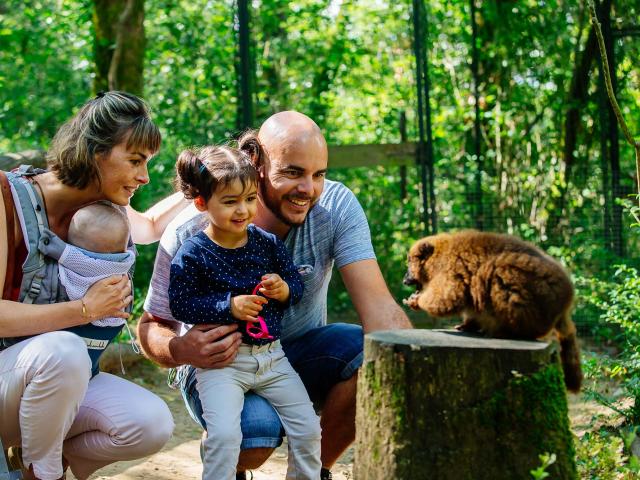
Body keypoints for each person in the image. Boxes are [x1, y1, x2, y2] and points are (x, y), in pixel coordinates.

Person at [138, 111, 413, 479]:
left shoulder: (335, 208)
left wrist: (421, 370)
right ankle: (233, 464)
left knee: (370, 355)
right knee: (255, 437)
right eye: (293, 172)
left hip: (289, 354)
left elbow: (379, 307)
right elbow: (153, 323)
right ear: (257, 164)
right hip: (219, 361)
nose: (309, 189)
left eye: (319, 174)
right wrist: (180, 349)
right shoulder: (191, 233)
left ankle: (315, 473)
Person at [0, 91, 187, 480]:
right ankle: (44, 470)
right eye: (135, 161)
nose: (144, 176)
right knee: (64, 349)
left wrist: (200, 191)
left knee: (150, 423)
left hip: (53, 386)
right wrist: (85, 309)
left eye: (147, 163)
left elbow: (151, 228)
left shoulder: (108, 211)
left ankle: (42, 462)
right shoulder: (5, 199)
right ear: (94, 151)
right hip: (9, 382)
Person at [168, 146, 321, 479]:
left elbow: (296, 286)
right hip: (224, 363)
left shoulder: (266, 242)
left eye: (250, 199)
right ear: (201, 204)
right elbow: (180, 304)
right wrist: (228, 306)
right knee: (224, 436)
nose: (243, 210)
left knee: (307, 428)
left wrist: (283, 289)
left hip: (273, 358)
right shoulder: (193, 252)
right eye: (230, 201)